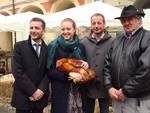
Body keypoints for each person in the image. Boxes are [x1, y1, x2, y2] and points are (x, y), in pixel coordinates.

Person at [103, 5, 150, 113]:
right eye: (123, 20)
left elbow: (146, 69)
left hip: (138, 100)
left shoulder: (147, 38)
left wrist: (125, 91)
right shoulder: (117, 41)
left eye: (130, 19)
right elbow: (107, 65)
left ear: (138, 19)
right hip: (117, 97)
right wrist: (109, 87)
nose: (126, 23)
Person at [47, 18, 88, 113]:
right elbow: (50, 71)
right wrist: (69, 75)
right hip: (60, 90)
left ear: (74, 30)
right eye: (63, 29)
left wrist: (85, 64)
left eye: (68, 29)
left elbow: (83, 67)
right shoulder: (53, 47)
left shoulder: (81, 46)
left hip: (78, 91)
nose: (65, 32)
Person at [11, 17, 49, 113]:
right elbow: (17, 71)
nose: (33, 30)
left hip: (40, 98)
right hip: (23, 96)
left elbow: (48, 72)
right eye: (31, 28)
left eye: (37, 28)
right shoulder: (19, 46)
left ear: (43, 30)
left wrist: (41, 90)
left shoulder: (48, 49)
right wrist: (33, 91)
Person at [81, 13, 113, 113]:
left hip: (105, 85)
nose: (96, 26)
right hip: (87, 85)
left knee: (104, 111)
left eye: (99, 23)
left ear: (104, 24)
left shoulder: (112, 42)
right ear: (91, 25)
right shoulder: (83, 42)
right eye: (93, 23)